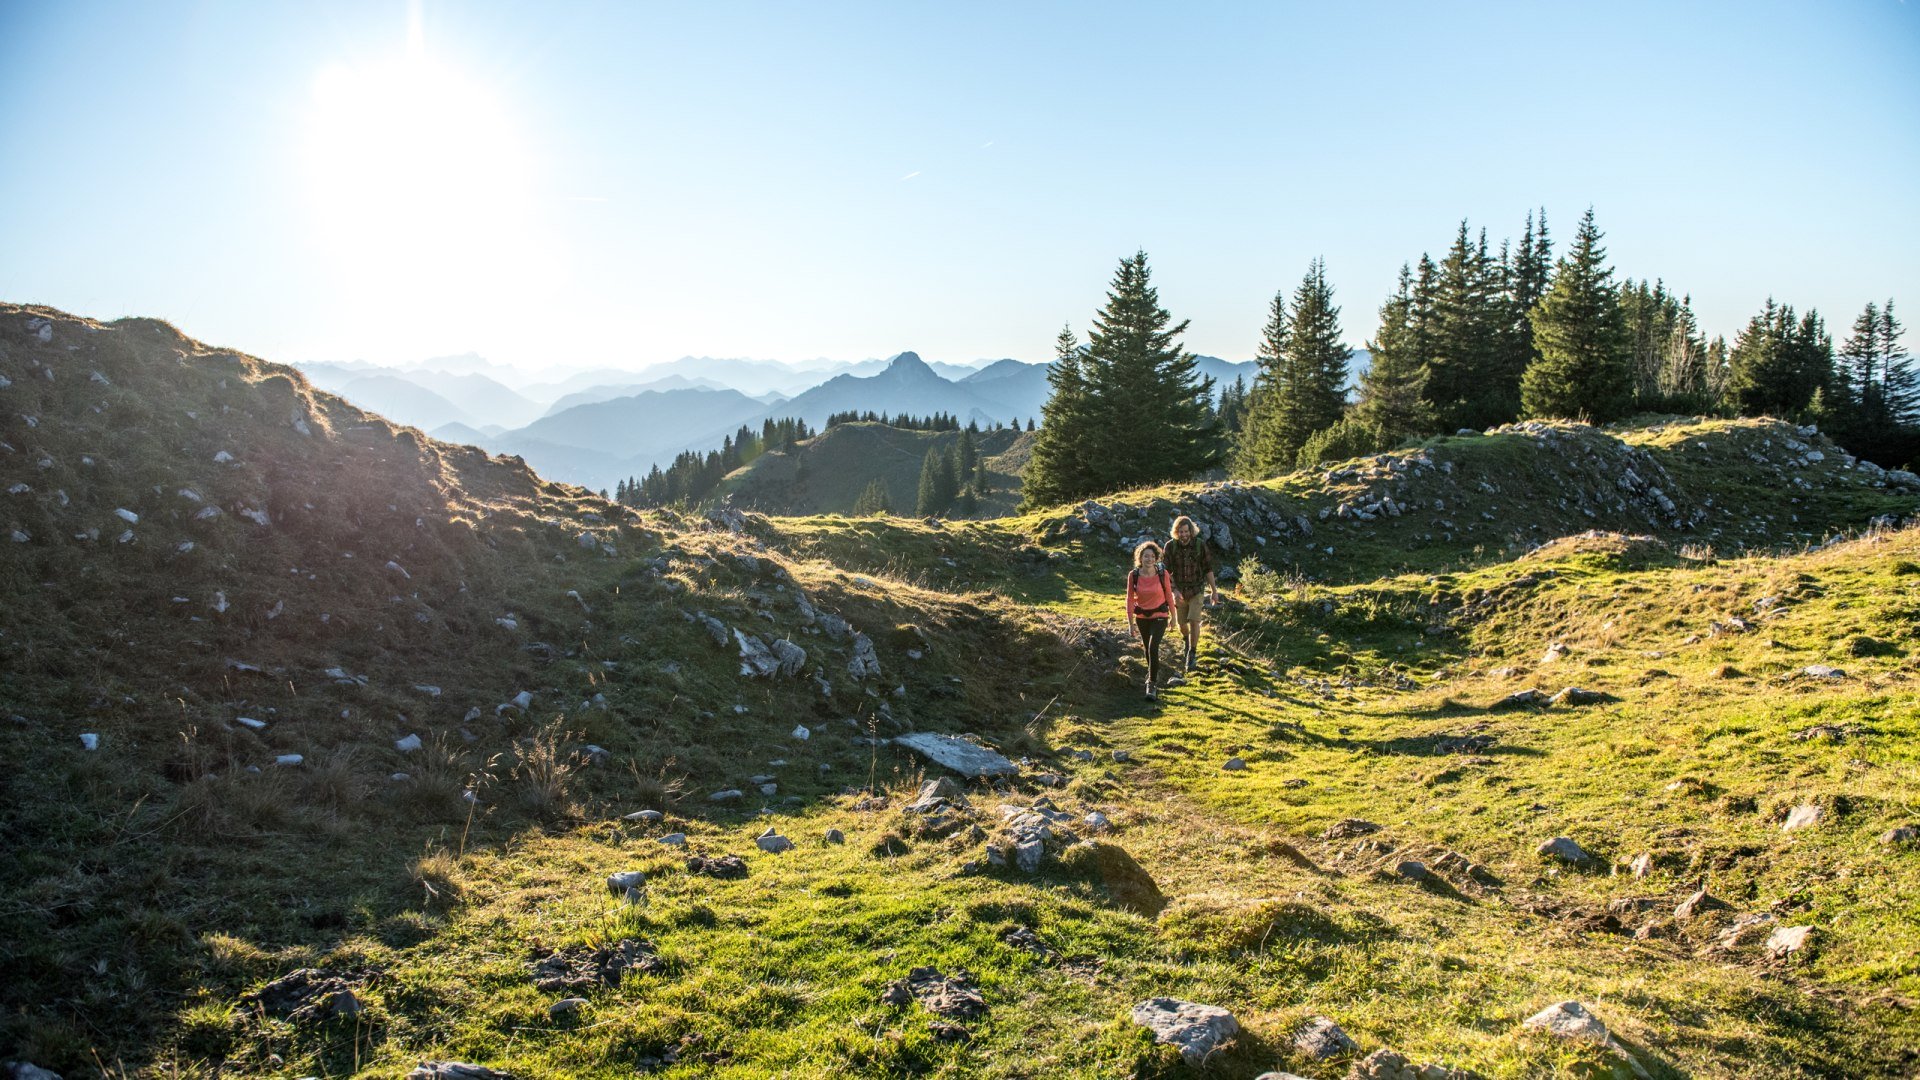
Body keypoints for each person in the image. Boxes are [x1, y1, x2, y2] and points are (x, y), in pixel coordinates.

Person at [1163, 515, 1217, 672]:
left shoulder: (1200, 545)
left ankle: (1192, 653)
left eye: (1186, 531)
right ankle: (1186, 641)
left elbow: (1208, 569)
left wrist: (1214, 591)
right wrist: (1173, 590)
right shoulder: (1170, 547)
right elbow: (1165, 572)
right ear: (1176, 532)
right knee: (1182, 624)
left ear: (1191, 531)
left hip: (1197, 590)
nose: (1184, 535)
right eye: (1181, 532)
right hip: (1179, 591)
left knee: (1194, 621)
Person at [1125, 539, 1174, 700]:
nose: (1149, 559)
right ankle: (1152, 674)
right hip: (1142, 617)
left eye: (1152, 556)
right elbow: (1130, 599)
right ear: (1140, 558)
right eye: (1146, 556)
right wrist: (1131, 623)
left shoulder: (1162, 573)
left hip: (1160, 616)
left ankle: (1151, 684)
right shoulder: (1134, 575)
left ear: (1156, 558)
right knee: (1147, 649)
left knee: (1153, 648)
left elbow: (1168, 595)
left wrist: (1174, 617)